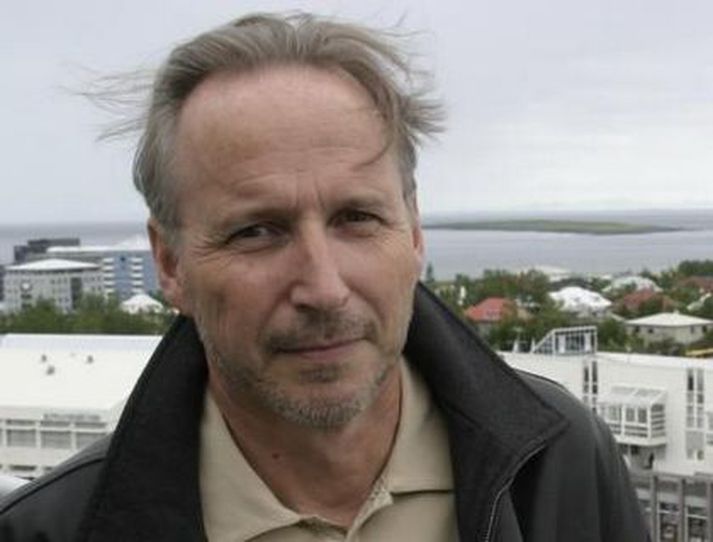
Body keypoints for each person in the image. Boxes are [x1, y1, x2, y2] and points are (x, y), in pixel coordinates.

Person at [0, 12, 648, 541]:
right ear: (170, 263)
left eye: (357, 218)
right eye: (257, 231)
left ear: (413, 230)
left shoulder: (559, 463)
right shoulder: (49, 530)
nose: (324, 288)